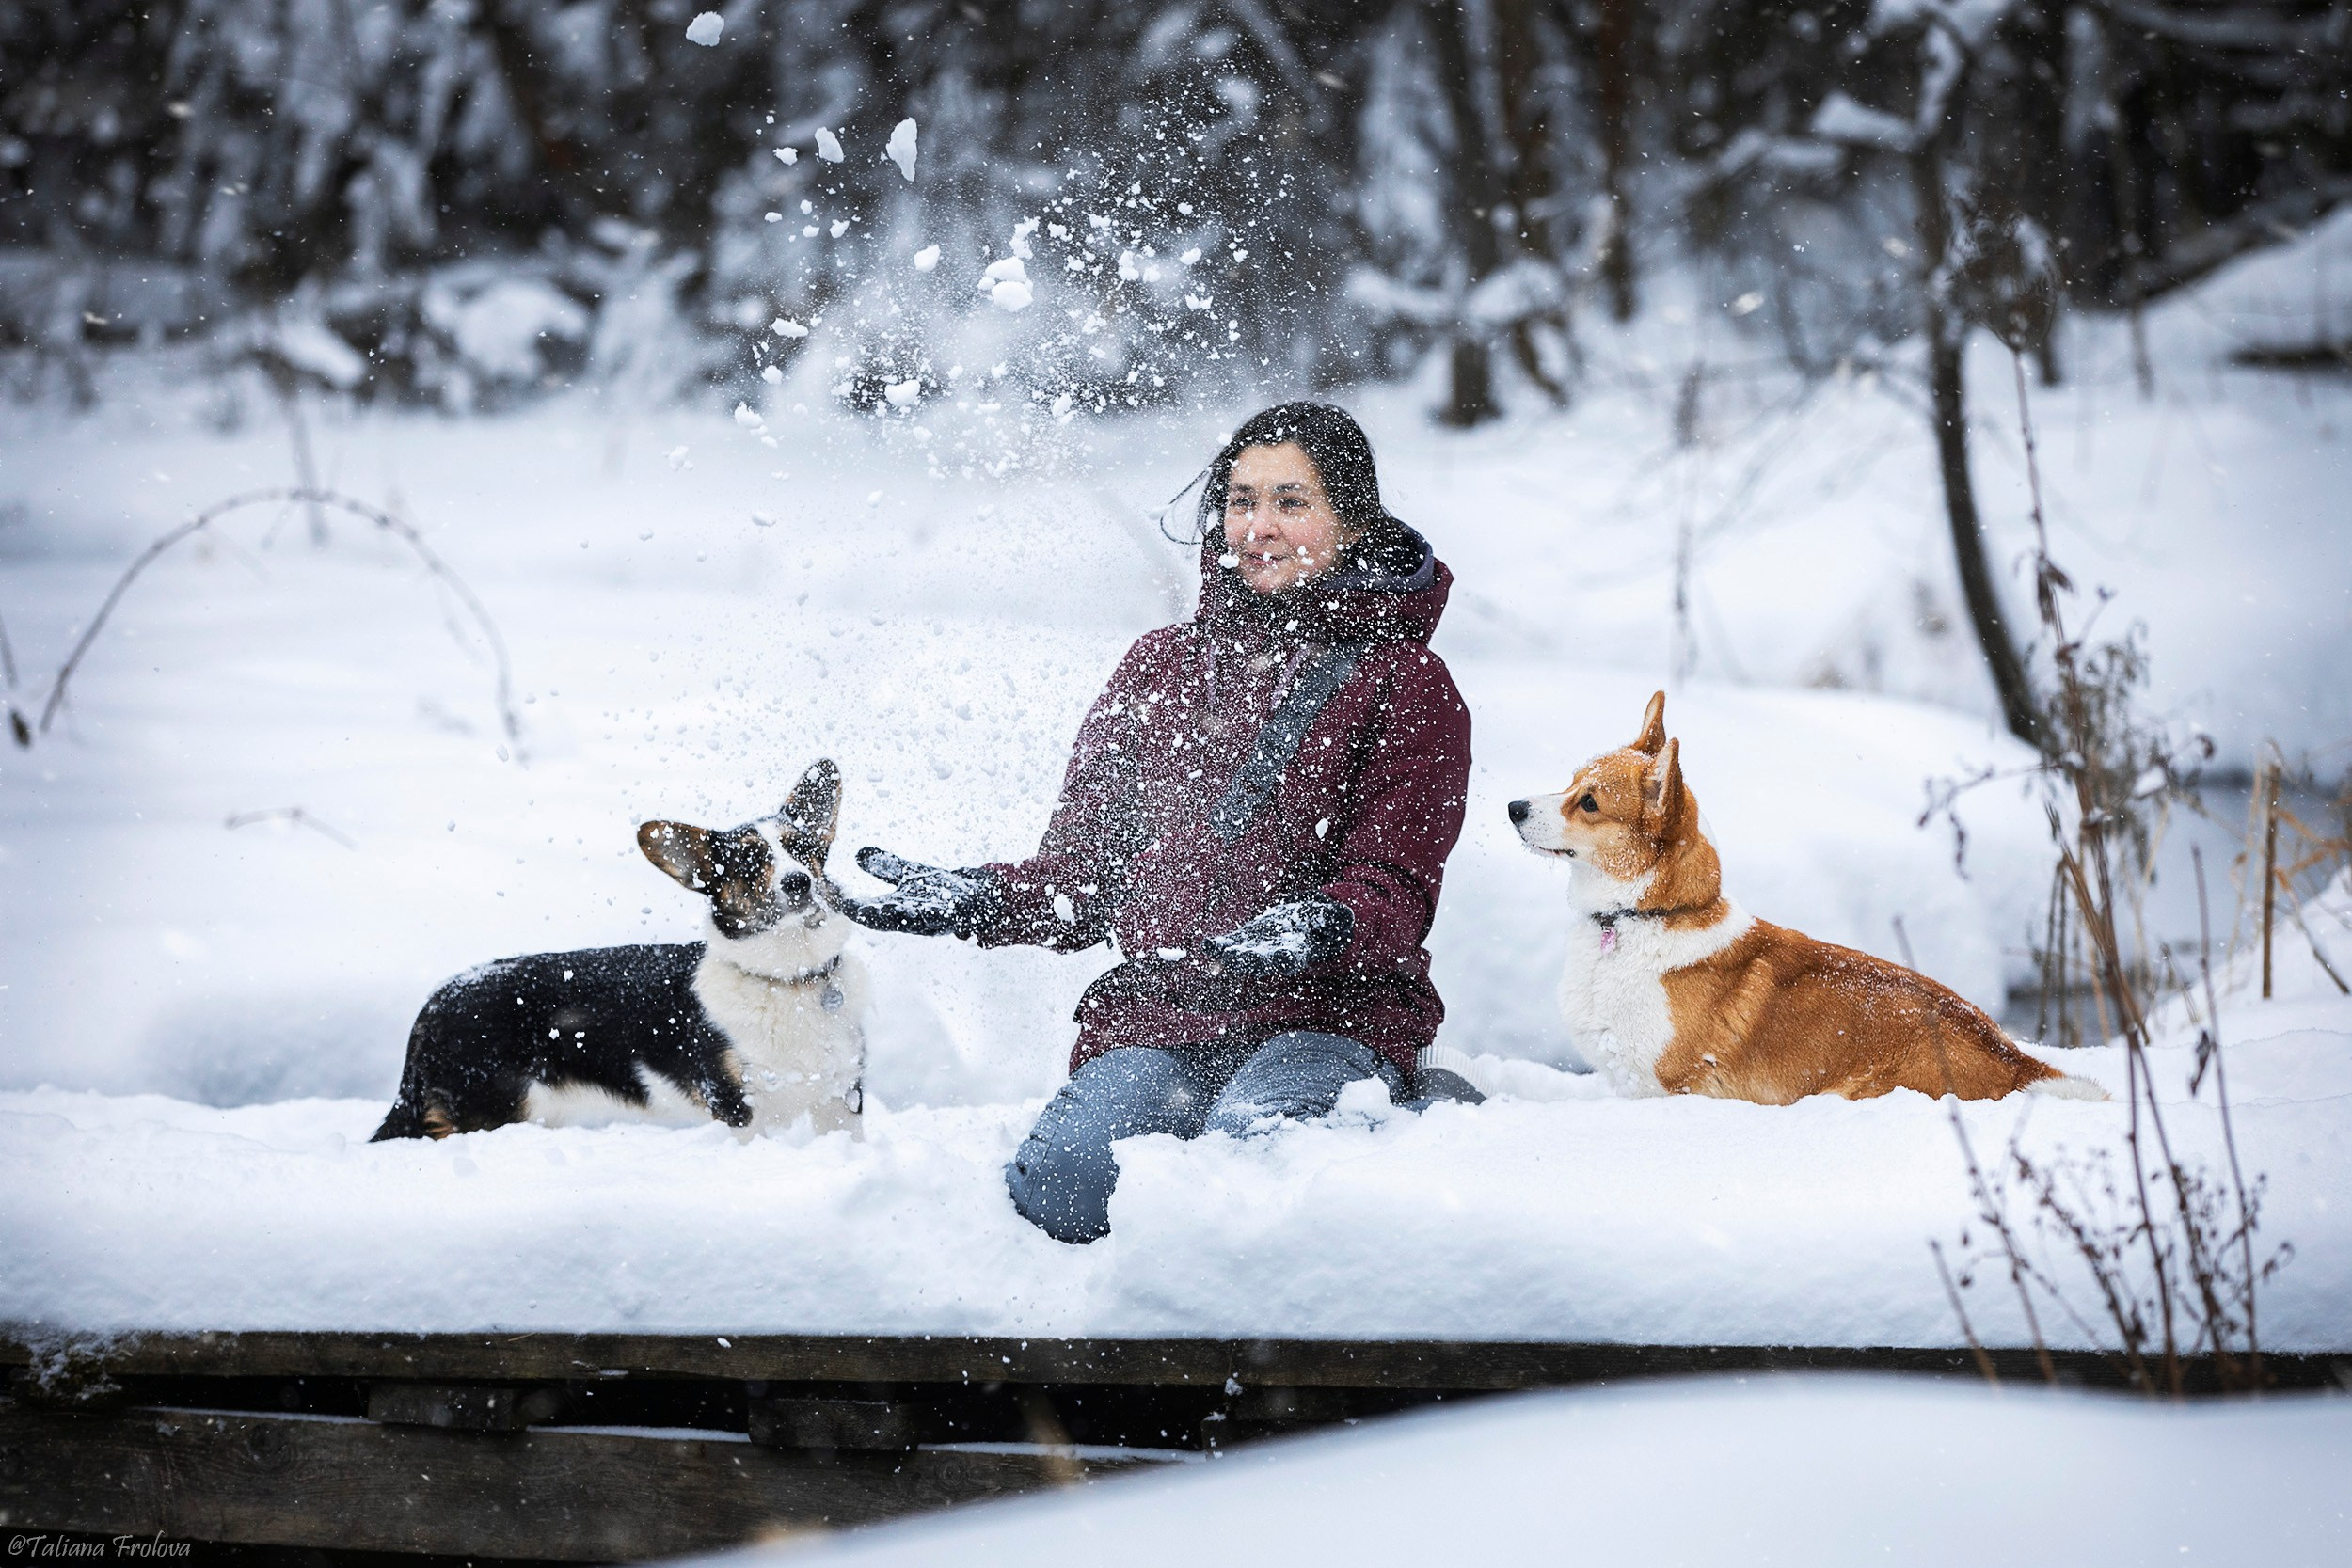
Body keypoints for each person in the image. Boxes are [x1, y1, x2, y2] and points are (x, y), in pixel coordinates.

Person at [837, 403, 1473, 1243]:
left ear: (1352, 523)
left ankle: (1413, 1109)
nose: (1258, 526)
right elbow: (1081, 880)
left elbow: (1395, 884)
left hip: (1327, 1015)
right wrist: (981, 899)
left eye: (1290, 501)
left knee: (1253, 1165)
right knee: (1065, 1180)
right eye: (1241, 501)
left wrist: (1322, 925)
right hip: (1168, 1013)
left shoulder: (1408, 681)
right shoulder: (1159, 666)